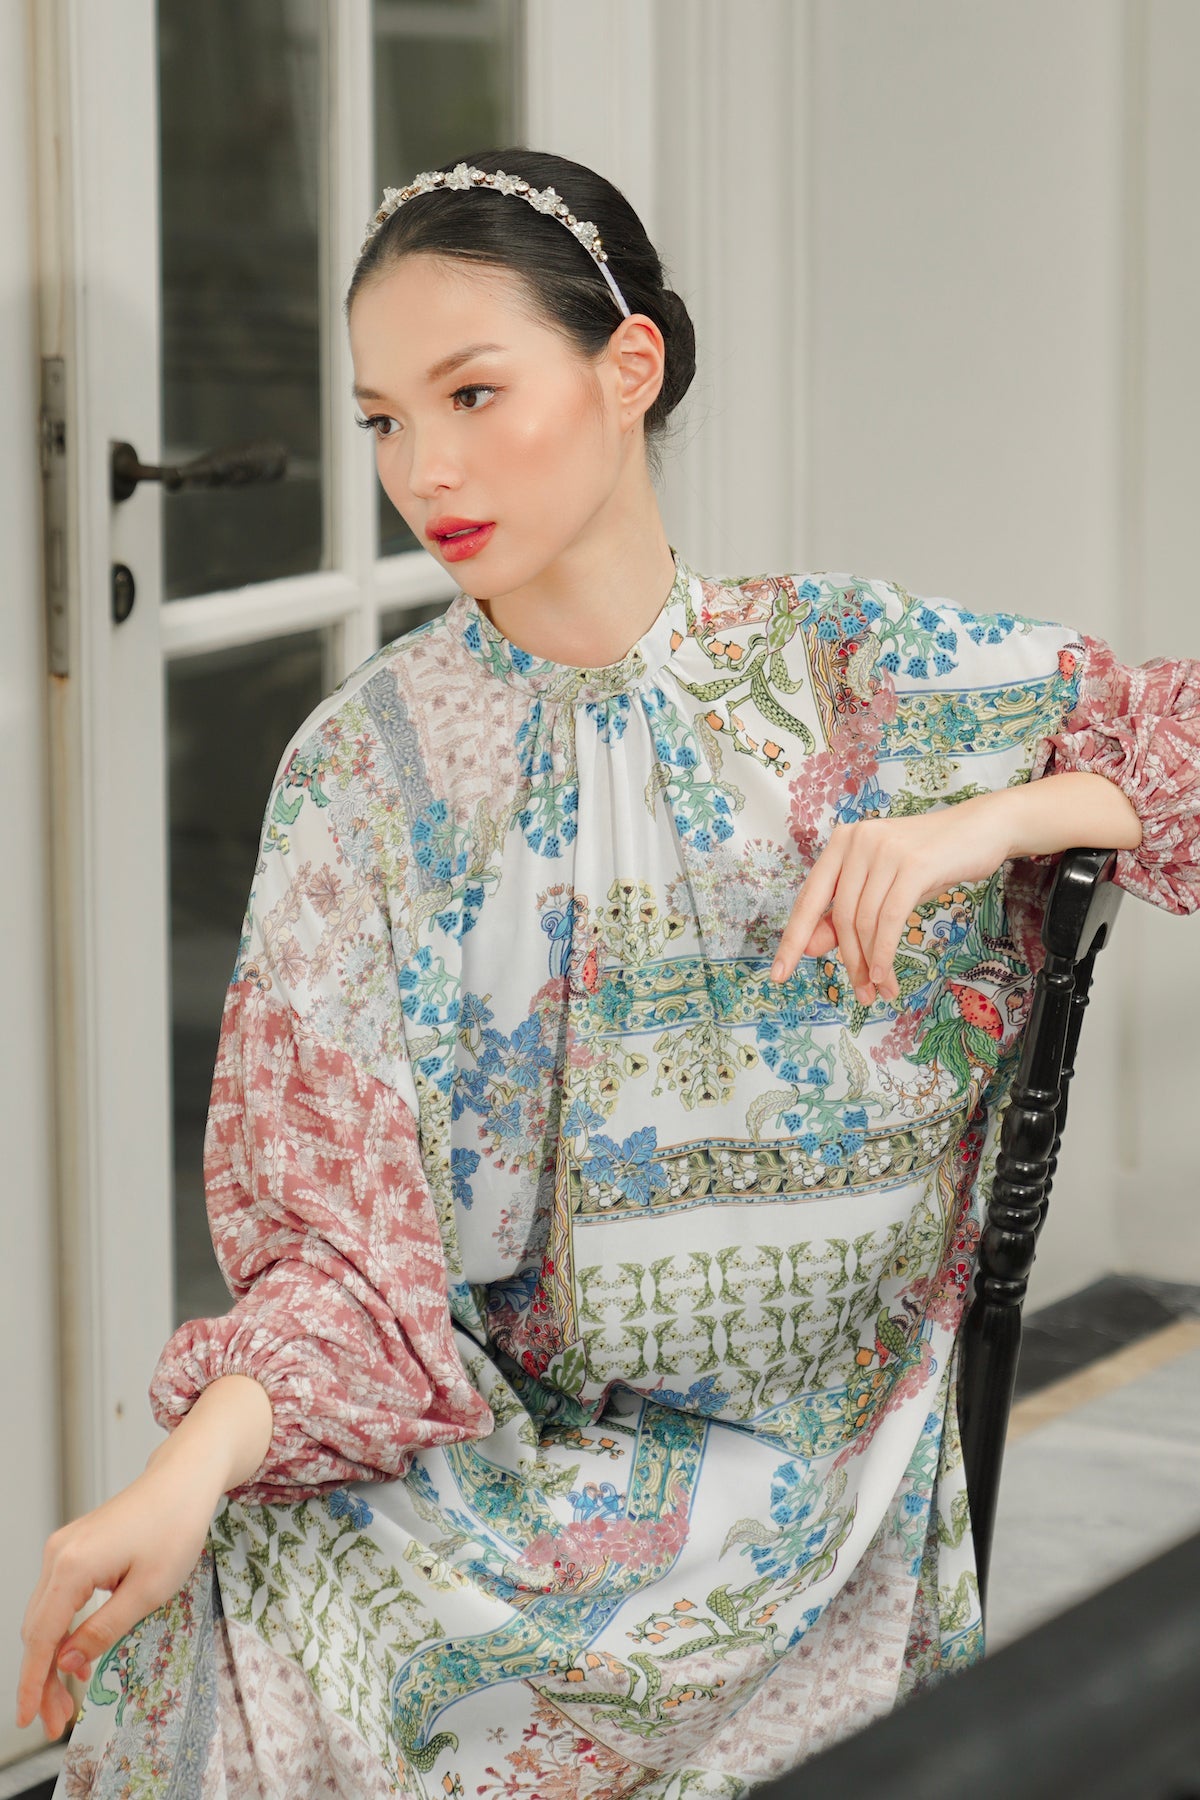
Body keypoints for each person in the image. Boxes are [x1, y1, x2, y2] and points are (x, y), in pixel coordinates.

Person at [18, 144, 1200, 1798]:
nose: (425, 468)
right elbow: (346, 1259)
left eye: (473, 393)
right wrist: (185, 1472)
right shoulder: (363, 775)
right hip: (477, 1453)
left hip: (791, 1494)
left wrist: (1002, 819)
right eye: (382, 419)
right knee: (221, 1613)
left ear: (626, 368)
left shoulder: (845, 678)